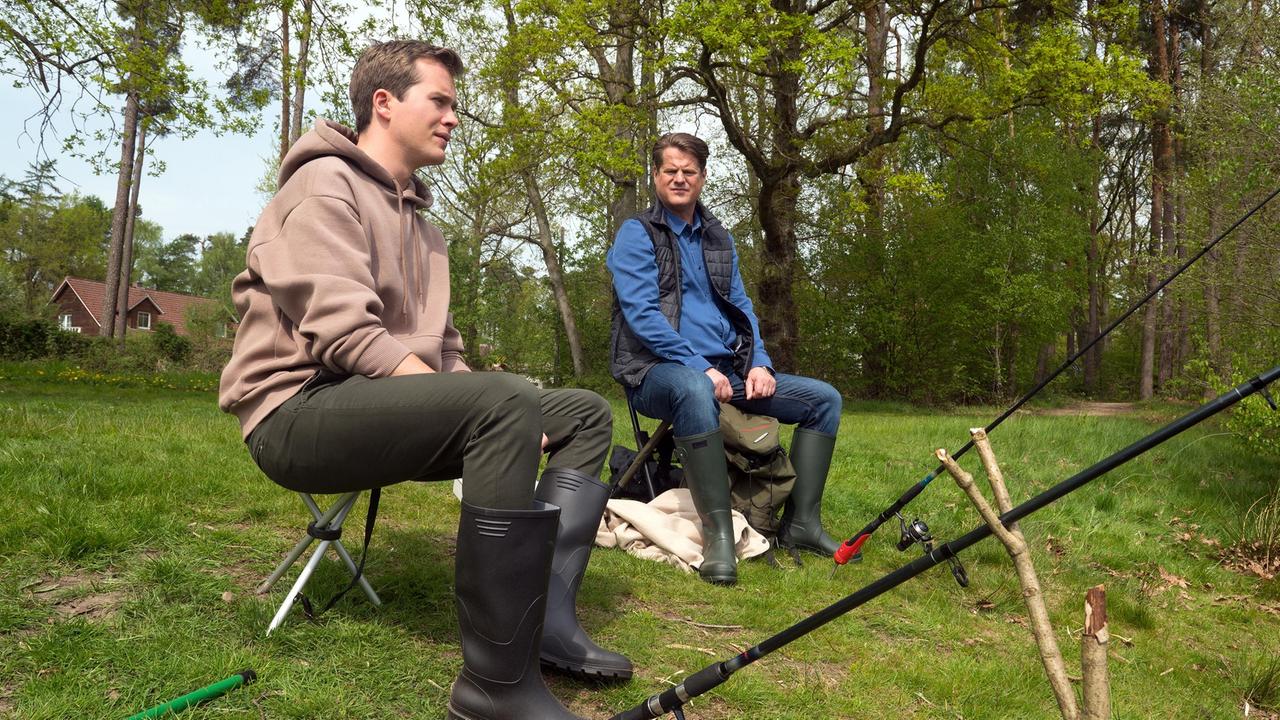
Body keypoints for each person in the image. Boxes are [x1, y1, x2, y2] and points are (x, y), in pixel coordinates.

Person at [218, 40, 629, 720]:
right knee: (504, 401)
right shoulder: (321, 187)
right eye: (439, 101)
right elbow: (346, 335)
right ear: (385, 102)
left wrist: (502, 407)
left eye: (453, 106)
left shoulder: (428, 233)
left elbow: (447, 355)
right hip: (296, 413)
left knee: (584, 413)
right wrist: (491, 407)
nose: (453, 118)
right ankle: (493, 687)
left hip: (379, 403)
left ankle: (546, 622)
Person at [606, 133, 844, 586]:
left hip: (727, 371)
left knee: (824, 400)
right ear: (655, 176)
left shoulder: (717, 236)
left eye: (688, 171)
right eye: (670, 170)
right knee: (694, 389)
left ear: (702, 177)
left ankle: (801, 525)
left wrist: (759, 362)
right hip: (654, 373)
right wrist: (700, 366)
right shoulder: (638, 234)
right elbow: (641, 316)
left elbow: (741, 306)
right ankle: (718, 536)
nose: (679, 178)